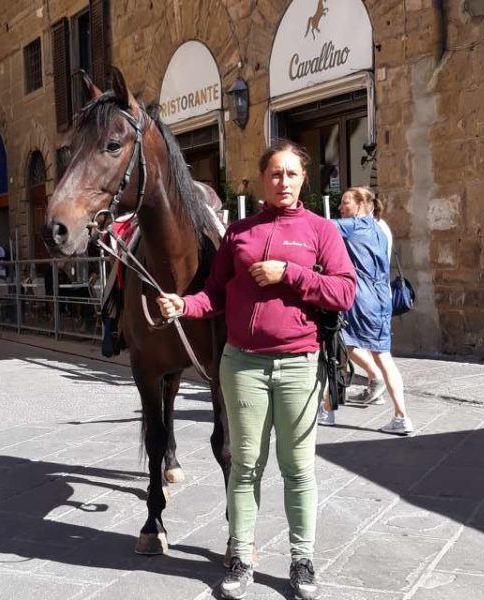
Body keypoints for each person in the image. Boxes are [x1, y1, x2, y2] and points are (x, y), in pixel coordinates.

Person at [157, 140, 356, 600]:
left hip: (299, 365)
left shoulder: (321, 230)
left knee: (298, 469)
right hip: (242, 364)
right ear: (262, 179)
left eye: (291, 173)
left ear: (303, 178)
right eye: (274, 174)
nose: (283, 182)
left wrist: (289, 273)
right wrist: (183, 304)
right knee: (244, 466)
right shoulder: (239, 233)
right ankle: (241, 556)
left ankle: (302, 560)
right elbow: (215, 295)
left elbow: (344, 292)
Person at [318, 187, 413, 436]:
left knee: (339, 352)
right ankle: (401, 417)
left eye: (345, 202)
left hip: (361, 300)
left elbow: (319, 227)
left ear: (360, 205)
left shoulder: (353, 226)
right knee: (383, 358)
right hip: (382, 299)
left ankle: (327, 411)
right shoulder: (380, 229)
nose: (341, 207)